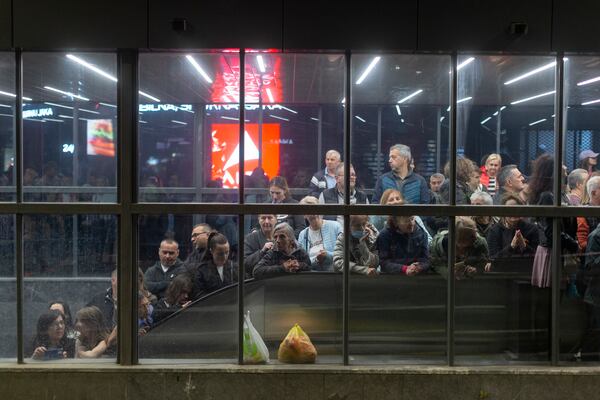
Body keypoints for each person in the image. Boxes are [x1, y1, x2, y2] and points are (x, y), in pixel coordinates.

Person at [486, 194, 539, 271]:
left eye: (516, 209)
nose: (513, 212)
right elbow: (493, 259)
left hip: (525, 274)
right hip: (502, 274)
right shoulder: (494, 230)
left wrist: (524, 246)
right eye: (509, 209)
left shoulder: (531, 228)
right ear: (503, 212)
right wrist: (511, 246)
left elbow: (537, 258)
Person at [297, 196, 341, 271]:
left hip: (334, 273)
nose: (312, 212)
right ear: (304, 215)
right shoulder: (303, 234)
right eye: (308, 209)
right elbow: (302, 261)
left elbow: (343, 253)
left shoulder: (335, 226)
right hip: (312, 275)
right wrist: (316, 260)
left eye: (315, 208)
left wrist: (327, 255)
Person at [190, 232, 238, 299]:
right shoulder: (201, 270)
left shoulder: (236, 268)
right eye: (220, 254)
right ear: (211, 251)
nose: (224, 257)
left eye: (227, 252)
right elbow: (198, 294)